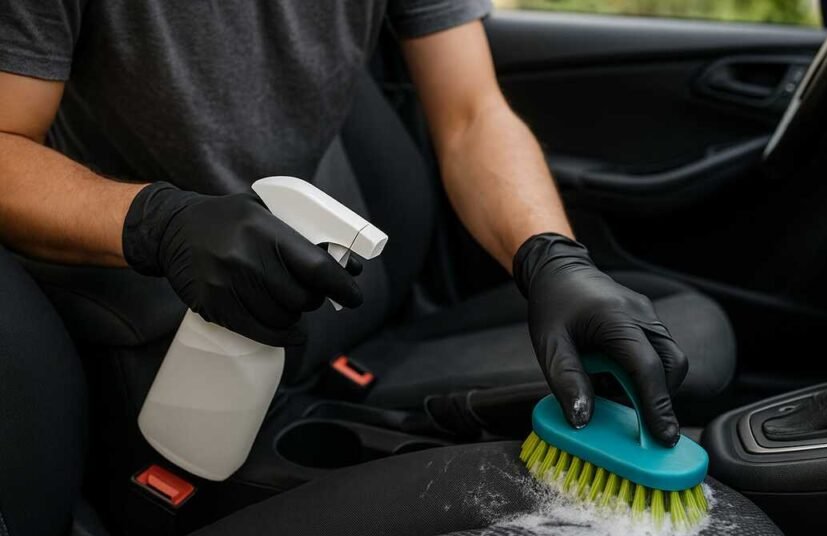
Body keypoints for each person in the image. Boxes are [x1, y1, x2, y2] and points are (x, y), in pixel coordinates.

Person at [0, 1, 687, 445]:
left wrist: (551, 257)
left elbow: (473, 113)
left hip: (312, 318)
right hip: (142, 313)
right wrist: (157, 221)